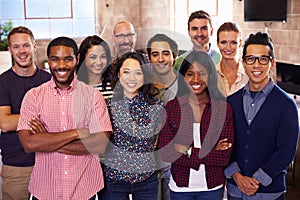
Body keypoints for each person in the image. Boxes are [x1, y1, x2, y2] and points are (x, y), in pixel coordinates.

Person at [17, 36, 112, 199]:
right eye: (55, 59)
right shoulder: (33, 96)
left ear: (77, 59)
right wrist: (77, 133)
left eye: (68, 59)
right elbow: (28, 143)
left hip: (85, 190)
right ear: (49, 61)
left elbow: (100, 144)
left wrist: (45, 140)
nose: (61, 66)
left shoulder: (93, 97)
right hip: (45, 191)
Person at [225, 32, 299, 200]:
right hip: (235, 192)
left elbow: (286, 151)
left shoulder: (287, 105)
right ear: (243, 63)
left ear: (271, 63)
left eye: (263, 59)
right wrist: (237, 176)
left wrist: (256, 180)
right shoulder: (230, 102)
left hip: (269, 194)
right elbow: (225, 144)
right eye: (251, 59)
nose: (256, 65)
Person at [160, 51, 234, 200]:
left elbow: (223, 157)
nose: (196, 79)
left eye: (202, 73)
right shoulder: (172, 107)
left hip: (212, 186)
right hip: (180, 186)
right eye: (190, 74)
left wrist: (187, 150)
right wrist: (210, 151)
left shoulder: (223, 109)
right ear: (183, 77)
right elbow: (166, 153)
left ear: (211, 76)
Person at [102, 52, 164, 200]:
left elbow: (159, 141)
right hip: (115, 180)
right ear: (118, 74)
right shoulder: (107, 106)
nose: (132, 78)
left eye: (138, 73)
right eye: (126, 72)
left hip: (146, 180)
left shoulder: (156, 106)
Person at [0, 26, 51, 200]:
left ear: (34, 46)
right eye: (16, 46)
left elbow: (57, 118)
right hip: (16, 166)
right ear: (9, 50)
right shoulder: (3, 82)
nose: (22, 51)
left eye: (26, 45)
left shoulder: (48, 81)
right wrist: (39, 115)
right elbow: (5, 123)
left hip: (48, 162)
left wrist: (20, 118)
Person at [146, 33, 179, 200]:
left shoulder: (187, 88)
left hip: (177, 165)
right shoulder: (143, 89)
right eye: (155, 54)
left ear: (175, 56)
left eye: (166, 53)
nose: (160, 59)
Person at [77, 35, 113, 102]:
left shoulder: (114, 85)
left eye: (103, 56)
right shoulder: (76, 86)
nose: (99, 62)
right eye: (93, 57)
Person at [216, 22, 248, 96]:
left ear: (240, 43)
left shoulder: (249, 74)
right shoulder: (211, 74)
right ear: (217, 43)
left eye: (233, 43)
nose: (228, 48)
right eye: (223, 42)